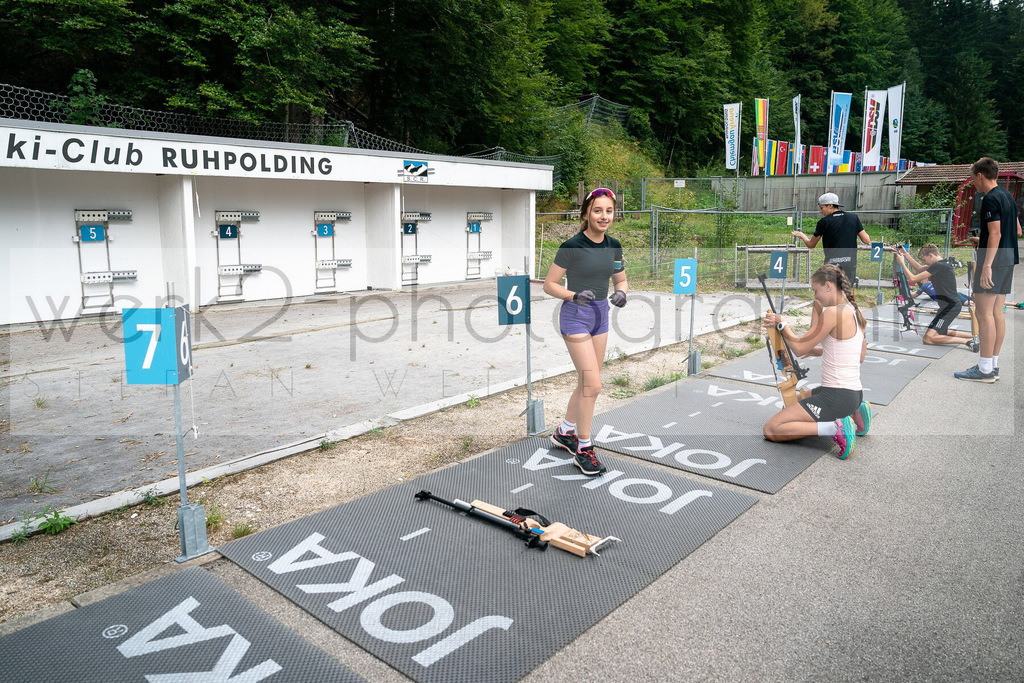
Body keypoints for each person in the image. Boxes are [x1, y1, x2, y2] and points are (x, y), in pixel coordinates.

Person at [543, 188, 628, 475]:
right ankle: (583, 448)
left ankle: (564, 431)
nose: (604, 216)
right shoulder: (572, 246)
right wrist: (573, 295)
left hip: (600, 316)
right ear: (586, 214)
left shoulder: (614, 246)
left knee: (587, 382)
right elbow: (549, 284)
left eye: (609, 211)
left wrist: (622, 292)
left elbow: (621, 279)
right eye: (598, 210)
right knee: (593, 385)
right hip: (576, 315)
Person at [762, 264, 871, 460]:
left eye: (816, 291)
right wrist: (820, 349)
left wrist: (782, 324)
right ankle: (857, 412)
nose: (815, 296)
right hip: (853, 394)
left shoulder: (833, 313)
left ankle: (835, 428)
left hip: (836, 397)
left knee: (772, 428)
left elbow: (799, 348)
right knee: (791, 404)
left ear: (828, 286)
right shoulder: (854, 311)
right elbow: (856, 355)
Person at [955, 158, 1022, 382]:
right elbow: (1017, 230)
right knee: (996, 313)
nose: (973, 182)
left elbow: (996, 233)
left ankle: (984, 369)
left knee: (983, 314)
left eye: (973, 178)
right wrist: (982, 239)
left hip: (994, 260)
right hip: (1008, 258)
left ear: (980, 175)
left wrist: (986, 266)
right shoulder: (1007, 196)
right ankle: (992, 365)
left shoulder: (990, 198)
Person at [895, 244, 978, 351]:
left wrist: (902, 263)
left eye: (924, 260)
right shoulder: (942, 264)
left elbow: (912, 279)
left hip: (950, 307)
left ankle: (967, 341)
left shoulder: (939, 266)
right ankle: (974, 336)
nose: (924, 263)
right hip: (947, 306)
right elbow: (918, 268)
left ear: (931, 255)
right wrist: (905, 254)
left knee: (928, 338)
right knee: (941, 331)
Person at [792, 192, 872, 287]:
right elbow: (866, 240)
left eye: (822, 208)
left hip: (832, 264)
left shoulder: (823, 222)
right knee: (846, 290)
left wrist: (802, 236)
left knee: (831, 290)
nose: (820, 211)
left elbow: (811, 245)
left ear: (830, 205)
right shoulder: (853, 218)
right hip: (850, 263)